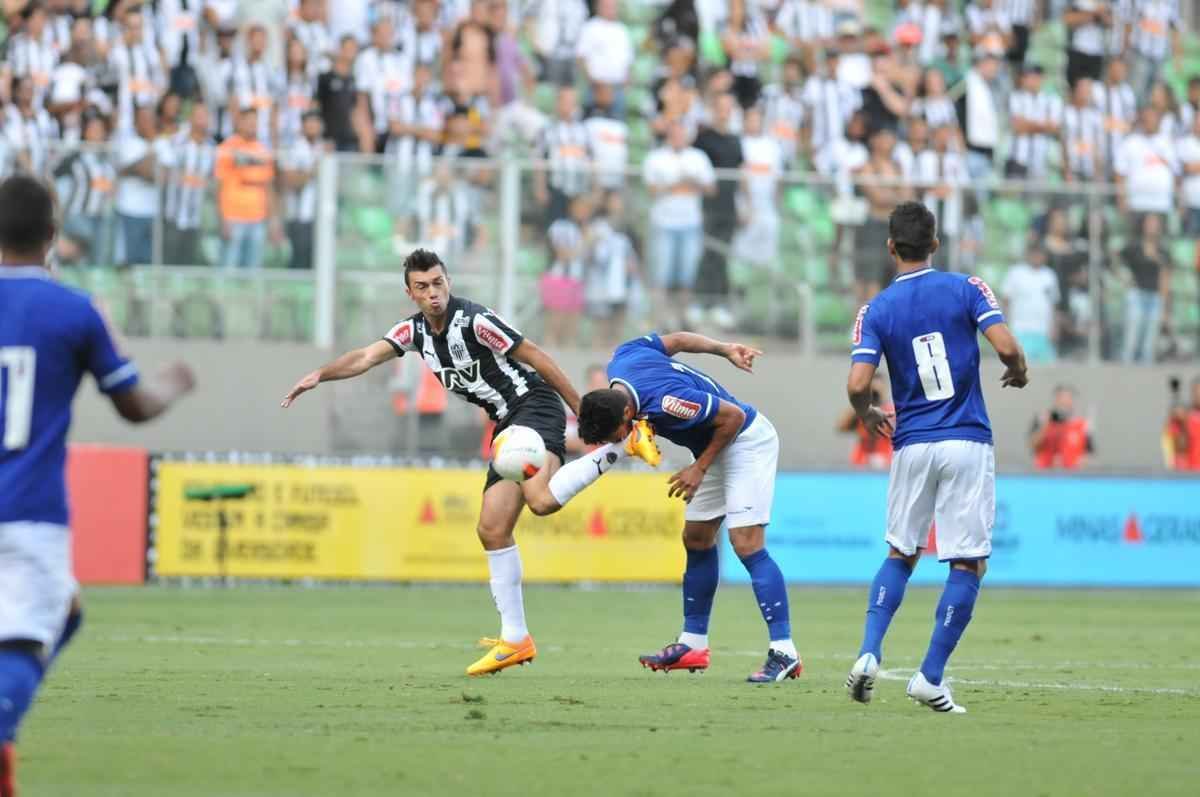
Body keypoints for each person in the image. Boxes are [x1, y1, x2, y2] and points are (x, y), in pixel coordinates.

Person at [280, 249, 658, 676]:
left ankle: (623, 446)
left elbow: (535, 356)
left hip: (533, 407)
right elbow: (367, 357)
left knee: (541, 502)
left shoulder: (475, 321)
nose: (433, 293)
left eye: (438, 283)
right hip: (506, 425)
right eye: (422, 287)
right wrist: (319, 375)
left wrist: (582, 413)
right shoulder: (412, 332)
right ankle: (515, 639)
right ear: (411, 293)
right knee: (492, 529)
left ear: (449, 282)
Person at [0, 174, 194, 796]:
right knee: (44, 622)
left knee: (68, 608)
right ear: (53, 237)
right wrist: (175, 380)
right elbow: (134, 405)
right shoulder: (73, 310)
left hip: (28, 516)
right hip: (30, 512)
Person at [844, 201, 1028, 713]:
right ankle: (929, 676)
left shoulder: (875, 309)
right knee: (968, 562)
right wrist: (1020, 370)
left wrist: (868, 412)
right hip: (966, 439)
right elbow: (1008, 348)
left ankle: (868, 653)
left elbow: (858, 384)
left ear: (890, 247)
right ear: (936, 244)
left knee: (901, 552)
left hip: (912, 444)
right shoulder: (967, 288)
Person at [576, 332, 802, 683]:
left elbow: (732, 416)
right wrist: (724, 349)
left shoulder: (667, 402)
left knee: (746, 543)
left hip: (745, 441)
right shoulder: (623, 359)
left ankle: (785, 651)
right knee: (696, 538)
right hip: (713, 445)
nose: (620, 440)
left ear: (626, 411)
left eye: (619, 432)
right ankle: (693, 643)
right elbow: (678, 339)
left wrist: (699, 468)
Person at [642, 119, 715, 328]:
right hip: (663, 223)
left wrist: (693, 182)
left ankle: (683, 320)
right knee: (661, 275)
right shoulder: (656, 158)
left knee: (687, 275)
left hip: (690, 223)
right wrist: (674, 184)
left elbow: (711, 188)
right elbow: (651, 189)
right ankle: (660, 320)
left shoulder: (698, 158)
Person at [215, 108, 281, 270]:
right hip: (233, 216)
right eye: (248, 120)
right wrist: (222, 218)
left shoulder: (263, 150)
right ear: (239, 123)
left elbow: (268, 187)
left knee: (253, 269)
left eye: (255, 121)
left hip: (257, 218)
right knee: (228, 267)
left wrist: (273, 220)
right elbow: (219, 184)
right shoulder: (227, 147)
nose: (252, 125)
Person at [162, 103, 216, 266]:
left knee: (189, 263)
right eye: (198, 115)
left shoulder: (211, 147)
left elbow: (211, 180)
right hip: (173, 216)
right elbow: (163, 172)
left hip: (196, 218)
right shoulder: (175, 141)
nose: (202, 120)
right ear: (190, 118)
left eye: (205, 116)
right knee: (169, 261)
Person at [1119, 213, 1172, 364]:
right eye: (1150, 223)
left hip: (1155, 297)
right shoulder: (1134, 247)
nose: (1153, 226)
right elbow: (1116, 258)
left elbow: (1165, 278)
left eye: (1155, 223)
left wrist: (1165, 307)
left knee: (1149, 343)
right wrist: (1124, 277)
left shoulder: (1163, 251)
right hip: (1136, 294)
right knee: (1132, 337)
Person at [1001, 245, 1060, 363]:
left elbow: (1054, 303)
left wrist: (1054, 326)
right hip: (1020, 329)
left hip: (1043, 331)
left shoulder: (1049, 275)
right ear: (1028, 255)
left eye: (1040, 254)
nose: (1037, 257)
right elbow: (1006, 299)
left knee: (1047, 369)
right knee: (1020, 369)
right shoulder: (1016, 273)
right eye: (1035, 254)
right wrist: (1004, 325)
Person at [115, 105, 158, 266]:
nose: (148, 123)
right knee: (128, 263)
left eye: (150, 119)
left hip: (154, 213)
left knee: (150, 263)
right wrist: (152, 151)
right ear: (136, 122)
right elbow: (146, 172)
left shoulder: (161, 142)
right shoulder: (129, 143)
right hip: (130, 211)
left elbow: (165, 176)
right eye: (143, 119)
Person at [280, 112, 324, 270]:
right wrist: (313, 171)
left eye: (316, 122)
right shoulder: (294, 148)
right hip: (299, 216)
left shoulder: (322, 148)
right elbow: (290, 180)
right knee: (299, 260)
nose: (313, 127)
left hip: (319, 215)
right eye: (309, 123)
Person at [835, 374, 894, 469]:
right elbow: (841, 426)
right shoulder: (861, 411)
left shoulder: (891, 410)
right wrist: (861, 403)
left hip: (885, 462)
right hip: (861, 461)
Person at [1030, 385, 1093, 469]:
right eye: (1061, 398)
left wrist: (1082, 464)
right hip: (1045, 474)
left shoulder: (1081, 425)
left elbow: (1089, 453)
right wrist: (1045, 426)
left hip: (1072, 474)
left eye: (1068, 398)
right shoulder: (1042, 420)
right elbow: (1033, 445)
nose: (1064, 402)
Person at [1164, 377, 1200, 471]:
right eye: (1196, 392)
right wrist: (1182, 425)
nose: (1198, 395)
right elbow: (1178, 447)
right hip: (1190, 475)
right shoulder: (1185, 417)